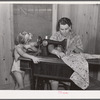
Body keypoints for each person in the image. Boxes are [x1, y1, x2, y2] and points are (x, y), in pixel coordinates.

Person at [48, 17, 83, 90]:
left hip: (70, 66)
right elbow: (50, 47)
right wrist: (57, 52)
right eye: (62, 29)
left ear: (70, 27)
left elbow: (81, 51)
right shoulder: (56, 35)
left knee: (75, 80)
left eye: (66, 29)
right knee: (54, 79)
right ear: (59, 28)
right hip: (58, 66)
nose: (64, 31)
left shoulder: (76, 37)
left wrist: (74, 47)